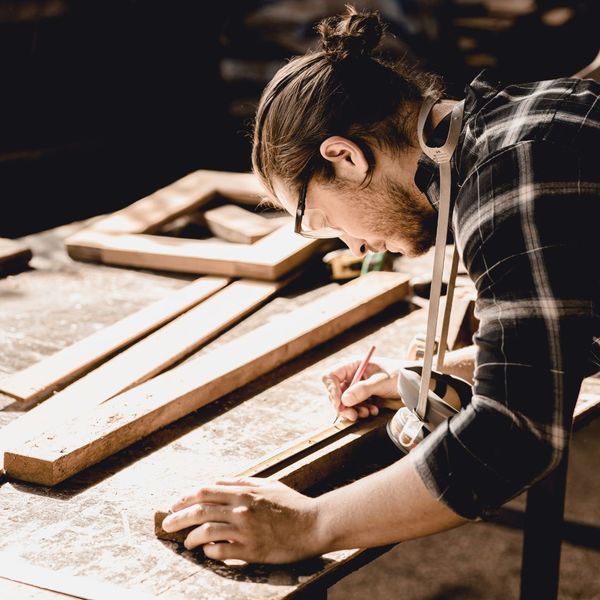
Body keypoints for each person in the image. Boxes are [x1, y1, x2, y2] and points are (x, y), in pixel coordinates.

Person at [161, 5, 600, 563]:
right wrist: (448, 371)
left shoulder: (512, 175)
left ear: (345, 157)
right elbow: (574, 329)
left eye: (321, 220)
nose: (354, 247)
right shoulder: (504, 135)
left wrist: (309, 523)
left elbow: (514, 437)